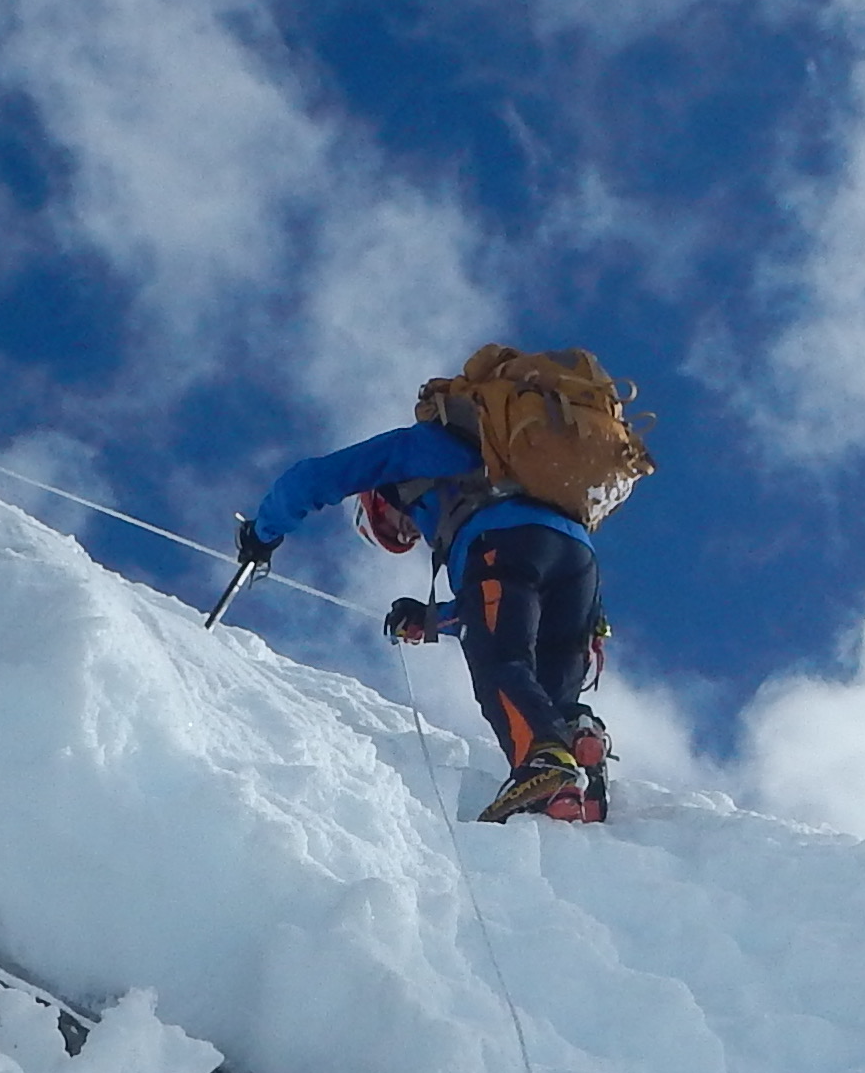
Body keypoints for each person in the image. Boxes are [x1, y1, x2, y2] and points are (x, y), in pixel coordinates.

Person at [235, 351, 641, 823]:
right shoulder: (517, 464)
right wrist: (430, 621)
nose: (409, 534)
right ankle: (577, 756)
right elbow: (489, 608)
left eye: (393, 530)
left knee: (501, 662)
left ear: (377, 503)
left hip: (504, 544)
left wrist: (261, 534)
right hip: (578, 564)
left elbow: (312, 478)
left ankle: (544, 759)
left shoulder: (421, 448)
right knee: (549, 692)